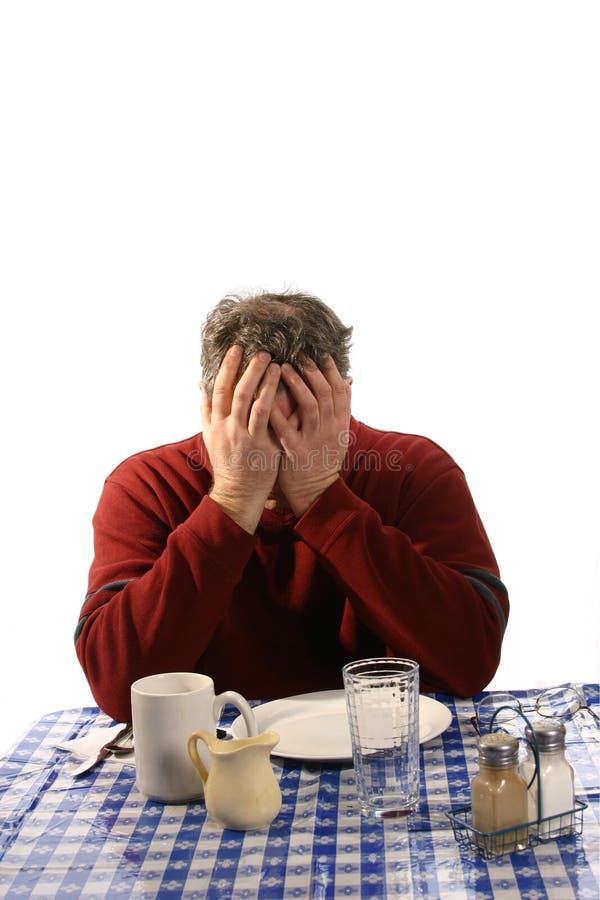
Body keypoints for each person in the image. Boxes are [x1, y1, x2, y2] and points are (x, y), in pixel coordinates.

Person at [75, 291, 509, 723]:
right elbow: (120, 689)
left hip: (383, 751)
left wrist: (323, 495)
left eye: (301, 419)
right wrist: (231, 499)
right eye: (254, 422)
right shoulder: (146, 486)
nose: (278, 451)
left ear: (344, 400)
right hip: (213, 762)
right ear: (210, 409)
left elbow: (470, 662)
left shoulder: (415, 471)